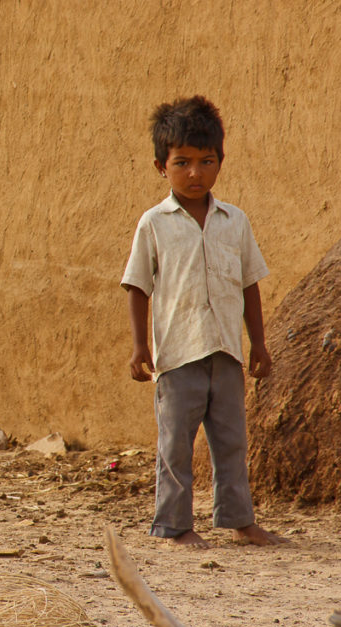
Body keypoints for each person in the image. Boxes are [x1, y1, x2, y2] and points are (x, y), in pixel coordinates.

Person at [121, 96, 285, 549]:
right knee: (175, 447)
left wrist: (260, 344)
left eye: (206, 161)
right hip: (178, 354)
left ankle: (240, 521)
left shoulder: (235, 222)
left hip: (227, 353)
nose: (195, 173)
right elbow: (137, 286)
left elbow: (250, 285)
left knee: (231, 442)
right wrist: (140, 348)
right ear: (161, 166)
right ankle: (175, 526)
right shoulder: (153, 224)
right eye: (183, 163)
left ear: (220, 162)